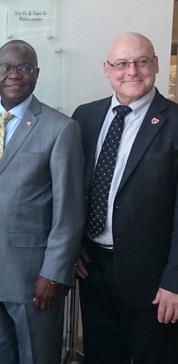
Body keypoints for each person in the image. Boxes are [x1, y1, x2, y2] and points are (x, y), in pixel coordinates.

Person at [0, 40, 85, 363]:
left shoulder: (61, 128)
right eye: (5, 67)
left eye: (24, 67)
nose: (13, 74)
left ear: (36, 73)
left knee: (37, 358)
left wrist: (54, 272)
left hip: (33, 278)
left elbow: (69, 210)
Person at [72, 32, 178, 363]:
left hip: (154, 277)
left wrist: (174, 282)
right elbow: (72, 191)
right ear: (107, 69)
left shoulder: (175, 122)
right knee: (101, 355)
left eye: (141, 61)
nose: (131, 71)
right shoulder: (84, 117)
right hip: (94, 269)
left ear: (156, 64)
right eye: (121, 63)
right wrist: (72, 246)